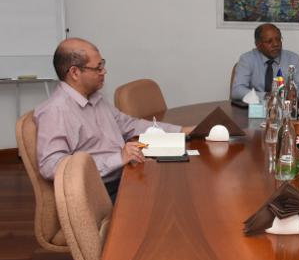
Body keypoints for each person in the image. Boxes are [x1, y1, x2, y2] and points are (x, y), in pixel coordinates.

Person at [35, 38, 194, 201]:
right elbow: (51, 165)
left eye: (102, 64)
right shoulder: (55, 111)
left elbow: (129, 125)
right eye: (98, 68)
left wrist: (181, 131)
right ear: (75, 72)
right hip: (100, 192)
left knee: (181, 183)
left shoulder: (94, 98)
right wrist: (117, 158)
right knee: (175, 197)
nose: (104, 71)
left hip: (125, 175)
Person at [231, 23, 299, 101]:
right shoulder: (247, 59)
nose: (276, 44)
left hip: (284, 107)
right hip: (256, 107)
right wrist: (266, 96)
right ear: (258, 44)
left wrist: (295, 95)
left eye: (278, 39)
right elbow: (237, 91)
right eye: (269, 41)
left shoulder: (293, 58)